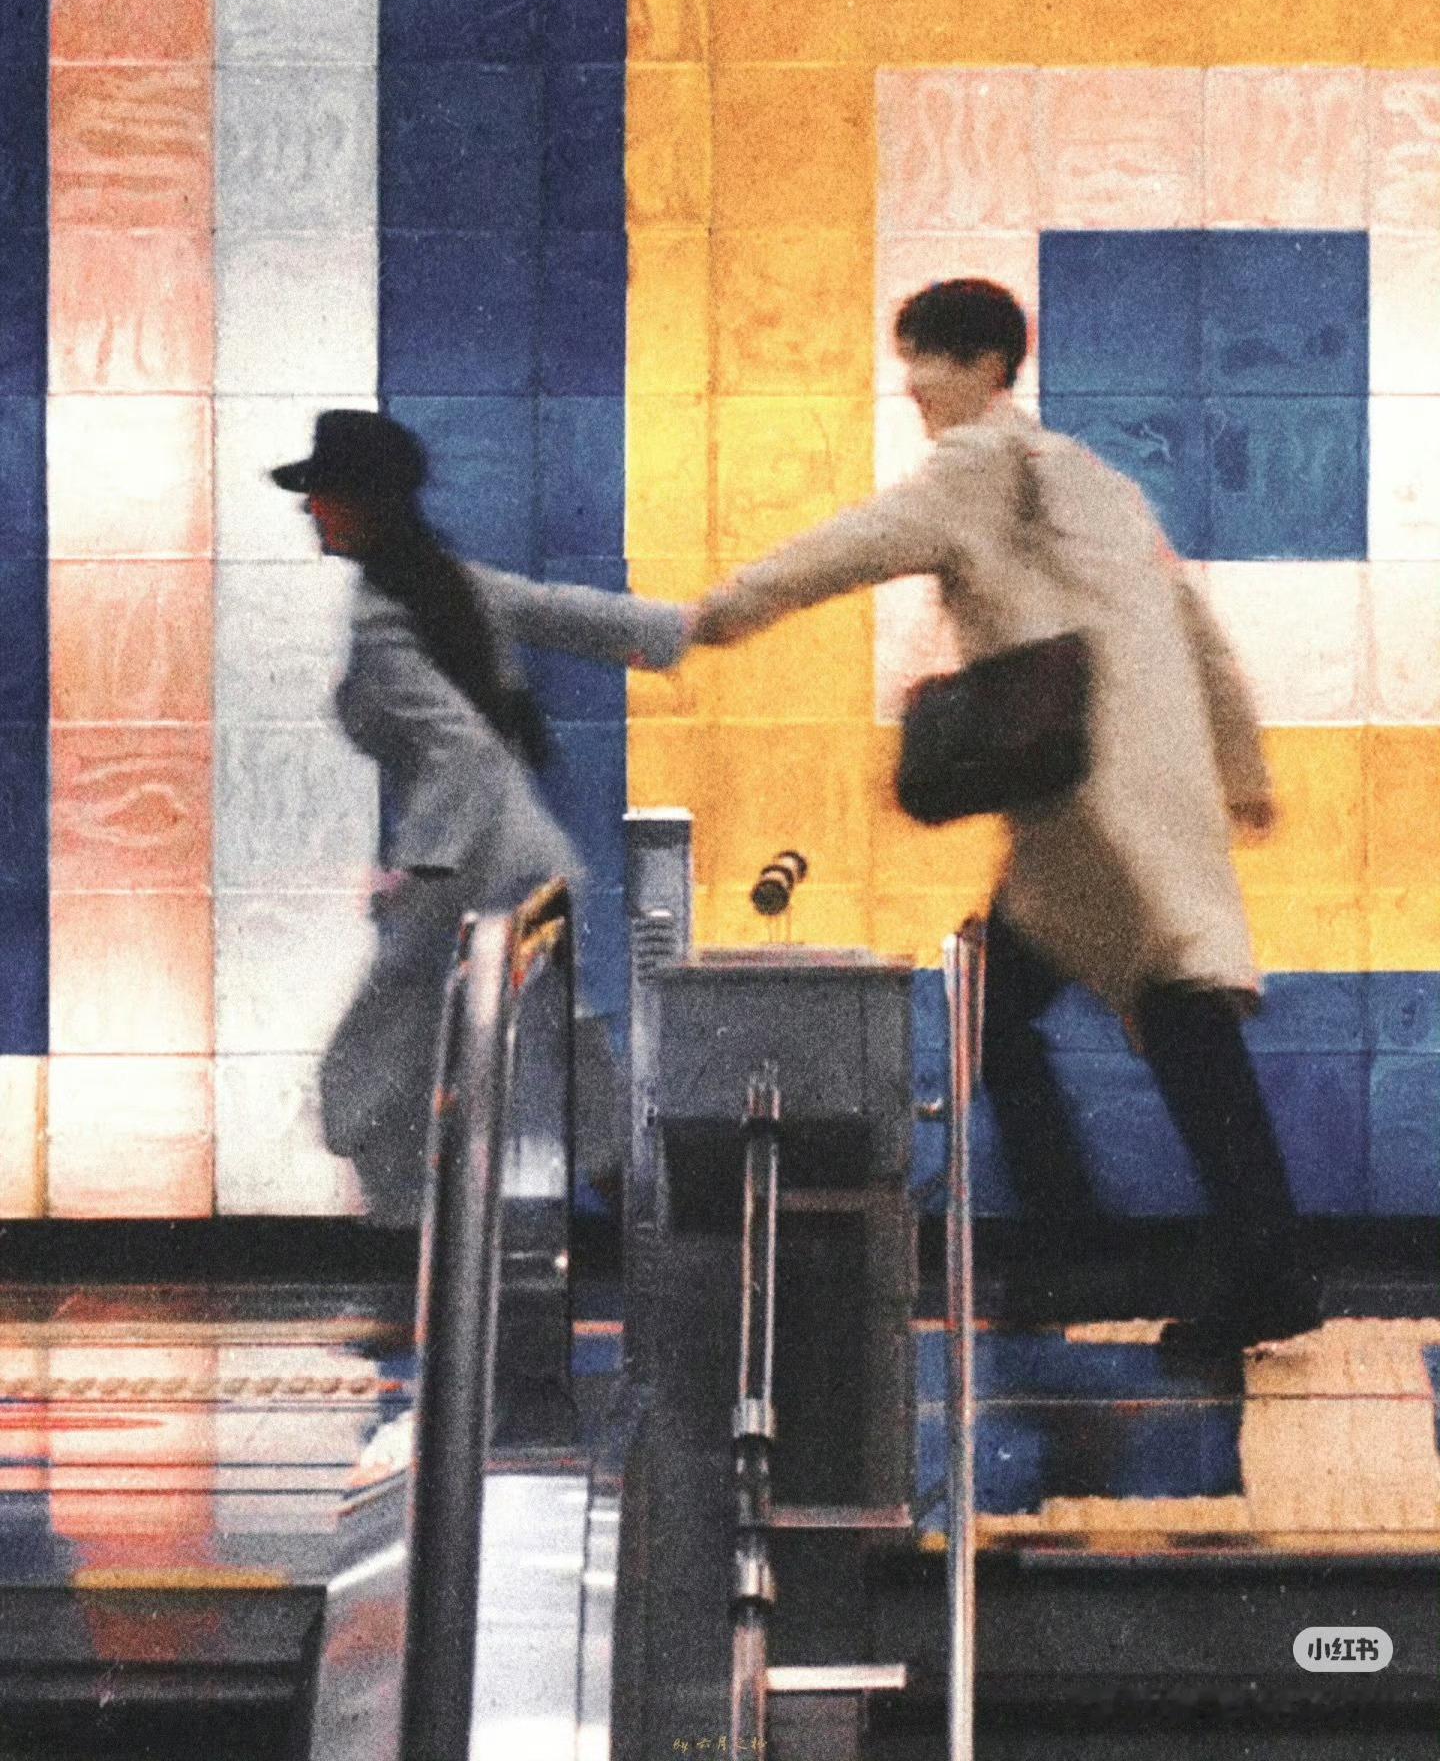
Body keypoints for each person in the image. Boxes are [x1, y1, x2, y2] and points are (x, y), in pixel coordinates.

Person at [690, 278, 1322, 1358]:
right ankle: (1127, 1247)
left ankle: (1147, 1253)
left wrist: (719, 613)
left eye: (927, 357)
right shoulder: (1095, 478)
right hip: (1140, 793)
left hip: (1084, 806)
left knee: (1145, 1015)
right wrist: (1238, 764)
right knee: (1083, 1005)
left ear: (986, 367)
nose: (913, 382)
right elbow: (1192, 622)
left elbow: (856, 541)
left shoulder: (978, 465)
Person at [271, 410, 687, 1226]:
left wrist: (421, 868)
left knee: (373, 1063)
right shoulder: (441, 585)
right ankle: (648, 1220)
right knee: (551, 1049)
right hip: (523, 856)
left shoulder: (390, 615)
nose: (309, 507)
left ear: (364, 502)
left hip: (467, 866)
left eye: (322, 492)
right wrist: (681, 630)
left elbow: (460, 752)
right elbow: (562, 612)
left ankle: (409, 1239)